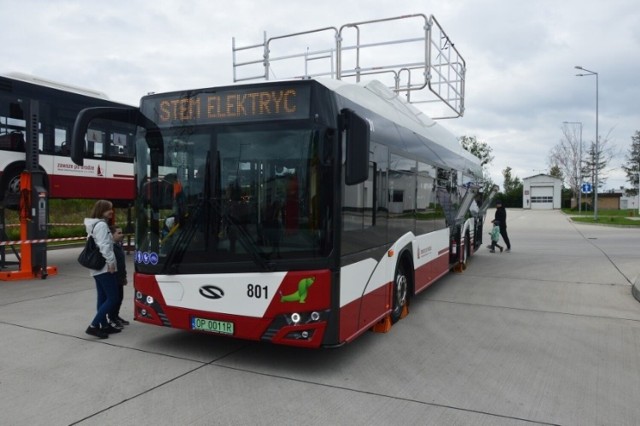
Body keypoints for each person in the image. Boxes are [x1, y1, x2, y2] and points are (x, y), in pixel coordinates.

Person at [84, 200, 121, 339]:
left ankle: (104, 325)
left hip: (97, 268)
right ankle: (93, 326)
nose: (111, 211)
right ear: (101, 210)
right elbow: (104, 246)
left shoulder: (94, 224)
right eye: (108, 209)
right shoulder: (100, 225)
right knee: (113, 298)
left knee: (102, 297)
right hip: (104, 267)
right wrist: (111, 263)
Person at [108, 225, 130, 329]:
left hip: (120, 276)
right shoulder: (111, 247)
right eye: (119, 233)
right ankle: (112, 318)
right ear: (112, 235)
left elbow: (122, 264)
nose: (122, 235)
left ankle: (116, 316)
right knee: (115, 299)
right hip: (114, 277)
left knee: (120, 298)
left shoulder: (118, 245)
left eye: (122, 232)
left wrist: (124, 277)